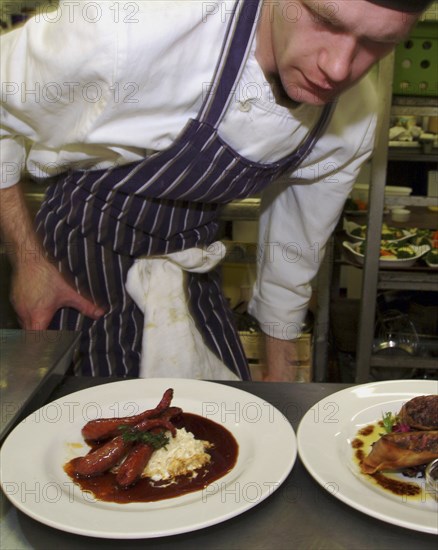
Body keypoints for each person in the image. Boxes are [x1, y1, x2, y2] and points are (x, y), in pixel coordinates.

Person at [0, 0, 431, 381]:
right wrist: (28, 261)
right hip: (74, 264)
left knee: (227, 435)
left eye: (378, 42)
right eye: (324, 19)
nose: (339, 68)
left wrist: (280, 387)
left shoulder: (353, 117)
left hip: (191, 268)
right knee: (80, 445)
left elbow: (294, 248)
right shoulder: (127, 31)